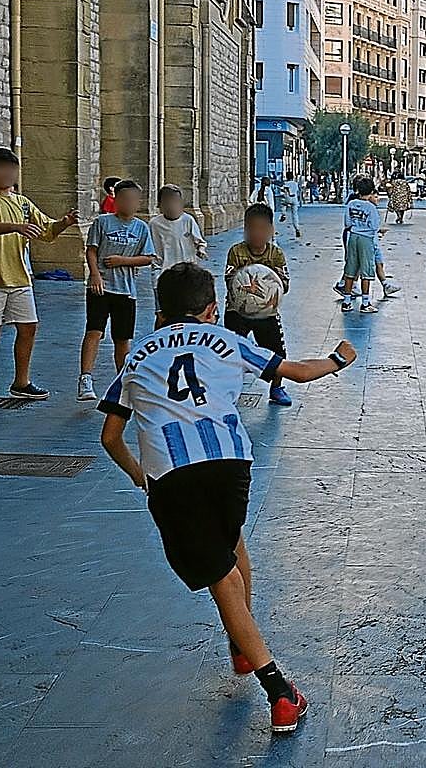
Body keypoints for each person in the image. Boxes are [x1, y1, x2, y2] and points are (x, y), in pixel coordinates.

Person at [98, 263, 357, 735]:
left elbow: (110, 435)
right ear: (213, 309)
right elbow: (296, 372)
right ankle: (243, 643)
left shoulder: (135, 356)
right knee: (232, 543)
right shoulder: (228, 340)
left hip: (173, 476)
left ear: (161, 311)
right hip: (231, 466)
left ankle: (280, 692)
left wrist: (141, 476)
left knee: (221, 581)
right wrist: (339, 359)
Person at [0, 147, 79, 408]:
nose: (7, 174)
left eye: (11, 169)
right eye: (1, 169)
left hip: (19, 275)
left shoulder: (23, 203)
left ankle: (21, 382)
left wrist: (64, 223)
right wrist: (15, 227)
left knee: (28, 327)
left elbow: (46, 230)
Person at [77, 180, 155, 402]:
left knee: (123, 339)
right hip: (101, 286)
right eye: (124, 199)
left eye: (133, 200)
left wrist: (123, 260)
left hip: (126, 290)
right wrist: (95, 274)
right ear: (116, 200)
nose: (129, 203)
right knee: (94, 331)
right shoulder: (102, 222)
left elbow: (148, 258)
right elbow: (91, 250)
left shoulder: (141, 228)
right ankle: (85, 378)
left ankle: (123, 379)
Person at [224, 203, 294, 405]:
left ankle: (277, 388)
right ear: (245, 229)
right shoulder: (236, 252)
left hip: (267, 313)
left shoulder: (276, 254)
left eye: (263, 228)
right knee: (231, 352)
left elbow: (285, 285)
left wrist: (269, 286)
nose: (257, 233)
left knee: (277, 353)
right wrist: (247, 286)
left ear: (271, 230)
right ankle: (228, 389)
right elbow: (229, 282)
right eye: (252, 228)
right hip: (237, 311)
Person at [149, 185, 207, 328]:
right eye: (167, 202)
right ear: (160, 205)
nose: (172, 206)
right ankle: (159, 339)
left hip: (187, 275)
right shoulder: (154, 224)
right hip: (162, 274)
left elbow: (199, 241)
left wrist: (201, 250)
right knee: (162, 314)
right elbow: (150, 250)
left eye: (175, 202)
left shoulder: (188, 220)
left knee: (189, 313)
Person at [340, 177, 382, 313]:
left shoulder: (351, 204)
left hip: (353, 236)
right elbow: (375, 226)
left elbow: (347, 223)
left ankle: (346, 301)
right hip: (366, 239)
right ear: (370, 191)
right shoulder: (371, 207)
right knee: (366, 270)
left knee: (350, 268)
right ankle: (365, 303)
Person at [279, 172, 302, 238]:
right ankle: (297, 228)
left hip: (288, 197)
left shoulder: (286, 183)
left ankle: (283, 214)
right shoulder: (295, 183)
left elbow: (284, 189)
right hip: (294, 198)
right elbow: (297, 191)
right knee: (295, 214)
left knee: (283, 204)